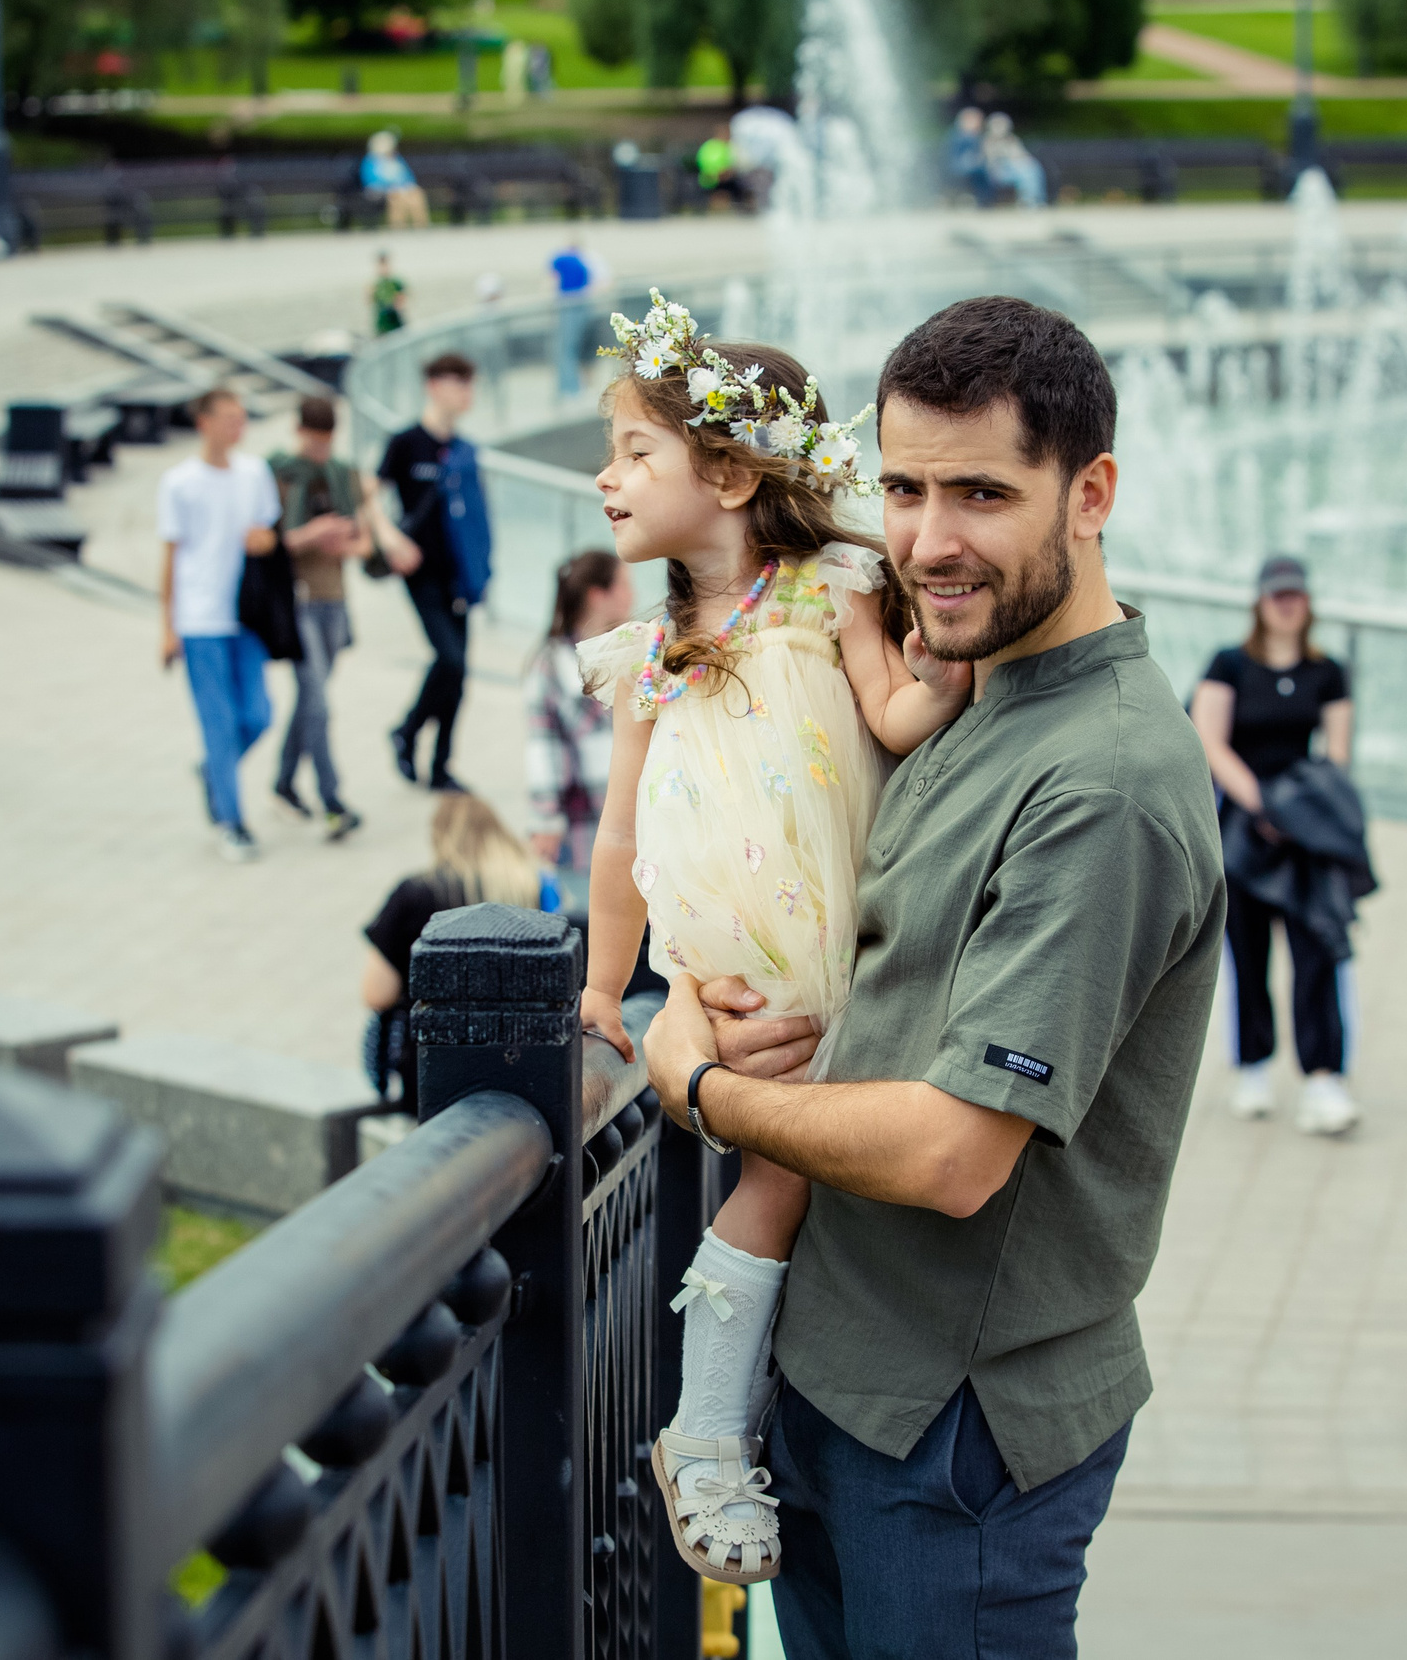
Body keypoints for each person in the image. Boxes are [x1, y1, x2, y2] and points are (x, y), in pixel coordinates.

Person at [634, 293, 1225, 1656]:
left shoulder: (1104, 781)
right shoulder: (975, 689)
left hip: (956, 1439)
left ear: (1092, 495)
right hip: (850, 1386)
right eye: (901, 487)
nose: (927, 539)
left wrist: (706, 1084)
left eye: (980, 493)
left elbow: (959, 1152)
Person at [569, 293, 974, 1588]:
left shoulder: (829, 590)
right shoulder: (656, 652)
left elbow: (893, 712)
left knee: (815, 1177)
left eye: (637, 449)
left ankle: (732, 1430)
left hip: (846, 961)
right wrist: (602, 981)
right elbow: (621, 837)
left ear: (732, 473)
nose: (607, 474)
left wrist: (949, 673)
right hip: (746, 979)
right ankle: (703, 1437)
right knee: (786, 1178)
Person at [1190, 556, 1360, 1136]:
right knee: (1248, 950)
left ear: (1307, 603)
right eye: (1276, 596)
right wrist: (1259, 803)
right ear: (1260, 603)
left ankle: (1323, 1077)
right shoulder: (1230, 664)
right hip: (1243, 828)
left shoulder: (1328, 671)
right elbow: (1209, 739)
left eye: (1296, 596)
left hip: (1305, 830)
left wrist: (1299, 812)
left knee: (1317, 951)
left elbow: (1336, 753)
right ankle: (1253, 1065)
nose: (1286, 605)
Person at [266, 394, 404, 837]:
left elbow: (365, 544)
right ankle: (332, 801)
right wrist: (314, 533)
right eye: (314, 439)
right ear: (300, 431)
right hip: (298, 601)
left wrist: (341, 541)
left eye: (326, 440)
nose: (320, 448)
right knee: (319, 705)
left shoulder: (343, 476)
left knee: (311, 702)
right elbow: (275, 542)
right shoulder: (282, 475)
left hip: (335, 601)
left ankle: (284, 783)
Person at [361, 792, 553, 1102]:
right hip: (521, 1060)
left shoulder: (416, 894)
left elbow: (376, 993)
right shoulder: (532, 887)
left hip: (432, 1067)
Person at [159, 388, 284, 862]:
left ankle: (214, 771)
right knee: (219, 721)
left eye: (242, 418)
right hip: (200, 618)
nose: (239, 427)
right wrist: (167, 625)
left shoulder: (254, 473)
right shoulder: (180, 483)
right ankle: (231, 820)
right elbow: (169, 557)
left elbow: (270, 533)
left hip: (246, 614)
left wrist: (265, 540)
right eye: (229, 418)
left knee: (258, 714)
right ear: (205, 423)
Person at [376, 352, 491, 792]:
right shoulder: (406, 442)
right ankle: (406, 731)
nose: (466, 393)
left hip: (459, 573)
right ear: (434, 386)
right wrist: (391, 539)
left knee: (459, 673)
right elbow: (367, 494)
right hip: (420, 572)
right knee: (450, 659)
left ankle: (440, 766)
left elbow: (478, 515)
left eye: (469, 383)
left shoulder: (464, 451)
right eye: (458, 382)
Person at [523, 549, 638, 874]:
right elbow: (543, 746)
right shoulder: (552, 666)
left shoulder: (632, 649)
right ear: (597, 595)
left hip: (637, 815)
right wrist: (545, 818)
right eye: (624, 586)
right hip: (585, 823)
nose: (633, 596)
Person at [550, 231, 605, 397]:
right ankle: (577, 387)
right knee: (578, 349)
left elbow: (551, 280)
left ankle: (570, 389)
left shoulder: (561, 259)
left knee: (567, 348)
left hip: (568, 306)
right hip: (584, 306)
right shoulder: (586, 261)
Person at [361, 131, 429, 227]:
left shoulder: (397, 159)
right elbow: (370, 180)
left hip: (400, 187)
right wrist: (392, 186)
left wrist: (406, 186)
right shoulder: (371, 161)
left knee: (416, 193)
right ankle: (398, 225)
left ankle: (420, 224)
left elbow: (407, 176)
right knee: (396, 196)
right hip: (380, 189)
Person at [983, 112, 1048, 209]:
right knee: (1027, 172)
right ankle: (1030, 201)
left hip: (1016, 170)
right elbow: (991, 162)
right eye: (997, 126)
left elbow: (1022, 155)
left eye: (1003, 125)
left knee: (1032, 168)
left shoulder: (1012, 140)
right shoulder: (987, 141)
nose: (1001, 129)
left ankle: (1032, 200)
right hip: (998, 173)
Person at [945, 107, 993, 207]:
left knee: (983, 170)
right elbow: (956, 157)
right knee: (981, 171)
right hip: (958, 167)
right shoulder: (961, 136)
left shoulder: (973, 135)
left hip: (967, 166)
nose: (980, 123)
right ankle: (983, 200)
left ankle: (984, 199)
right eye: (978, 121)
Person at [370, 250, 409, 336]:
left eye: (385, 264)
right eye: (381, 265)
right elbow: (371, 302)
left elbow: (401, 304)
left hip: (395, 326)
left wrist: (395, 303)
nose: (383, 268)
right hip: (381, 327)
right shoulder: (376, 285)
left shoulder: (396, 283)